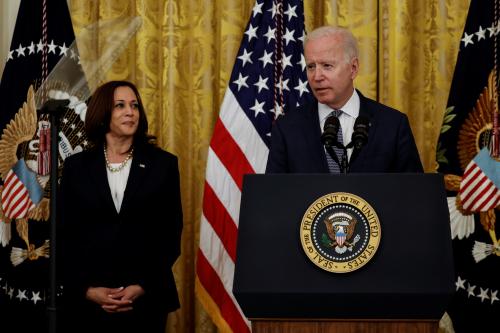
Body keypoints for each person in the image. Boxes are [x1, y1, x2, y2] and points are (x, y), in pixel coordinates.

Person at [59, 80, 183, 333]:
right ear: (103, 114)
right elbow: (65, 235)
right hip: (88, 304)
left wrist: (142, 285)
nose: (130, 111)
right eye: (120, 105)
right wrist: (87, 290)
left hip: (145, 300)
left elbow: (170, 233)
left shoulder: (164, 164)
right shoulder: (76, 167)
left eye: (134, 105)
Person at [266, 26, 423, 173]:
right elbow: (275, 197)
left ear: (353, 68)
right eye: (311, 67)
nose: (316, 77)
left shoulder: (393, 125)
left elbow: (413, 193)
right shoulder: (287, 128)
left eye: (327, 65)